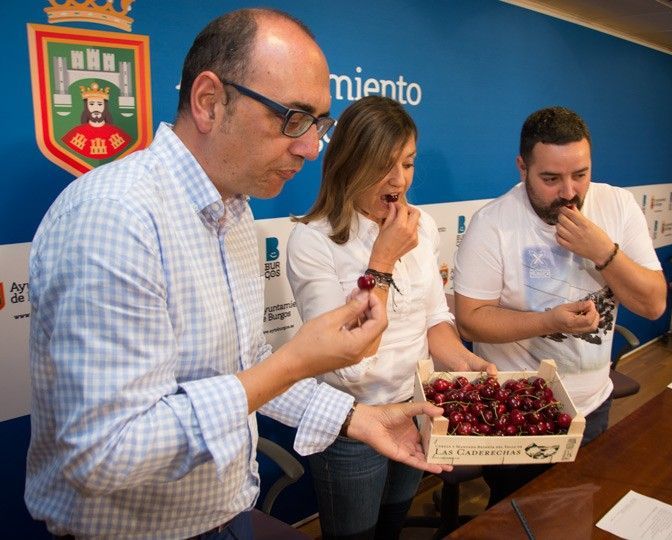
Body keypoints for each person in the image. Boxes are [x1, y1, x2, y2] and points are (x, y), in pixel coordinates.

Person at [25, 10, 450, 539]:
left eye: (319, 124)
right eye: (292, 118)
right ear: (209, 101)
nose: (310, 147)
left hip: (225, 513)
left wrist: (356, 419)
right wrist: (298, 360)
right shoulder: (116, 218)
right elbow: (105, 454)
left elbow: (244, 369)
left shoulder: (236, 214)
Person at [286, 95, 497, 539]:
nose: (399, 180)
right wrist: (381, 262)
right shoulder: (311, 241)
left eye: (408, 163)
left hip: (413, 407)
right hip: (351, 427)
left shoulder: (420, 227)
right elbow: (348, 355)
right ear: (350, 163)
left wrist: (464, 362)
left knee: (393, 527)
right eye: (385, 164)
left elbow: (434, 317)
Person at [453, 106, 666, 506]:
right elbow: (471, 321)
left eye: (580, 175)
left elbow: (653, 304)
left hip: (592, 404)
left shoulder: (618, 206)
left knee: (580, 509)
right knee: (517, 518)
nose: (569, 192)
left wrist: (603, 252)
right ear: (522, 167)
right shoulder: (493, 223)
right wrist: (547, 321)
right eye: (550, 178)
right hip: (520, 411)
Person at [61, 81, 131, 159]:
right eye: (91, 104)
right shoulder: (75, 133)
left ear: (105, 107)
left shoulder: (117, 133)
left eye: (100, 104)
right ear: (86, 107)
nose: (96, 108)